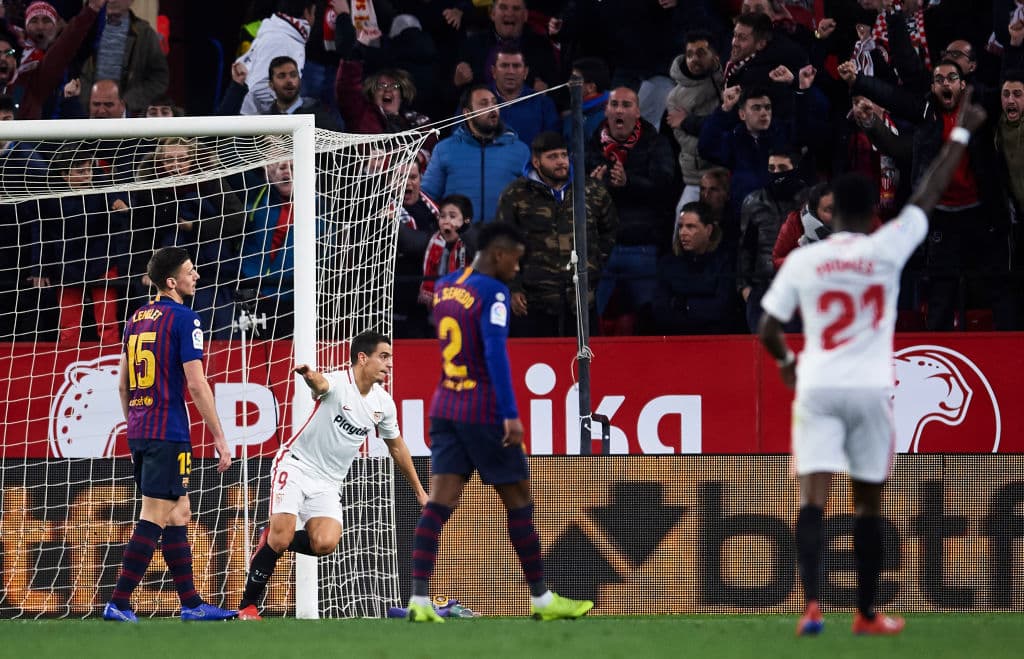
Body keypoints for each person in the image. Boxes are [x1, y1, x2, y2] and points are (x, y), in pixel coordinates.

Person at [757, 90, 987, 637]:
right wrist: (961, 133)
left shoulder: (807, 259)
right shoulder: (886, 246)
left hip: (816, 384)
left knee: (812, 497)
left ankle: (811, 606)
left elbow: (766, 326)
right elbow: (929, 192)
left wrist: (789, 363)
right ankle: (865, 613)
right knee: (867, 504)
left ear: (833, 211)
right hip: (868, 389)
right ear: (872, 212)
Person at [406, 222, 593, 623]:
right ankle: (542, 598)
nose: (517, 268)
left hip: (444, 405)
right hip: (482, 409)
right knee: (520, 500)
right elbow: (494, 354)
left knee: (439, 503)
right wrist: (510, 414)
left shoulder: (446, 286)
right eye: (516, 260)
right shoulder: (493, 292)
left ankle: (419, 599)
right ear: (498, 254)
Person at [237, 330, 428, 620]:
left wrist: (419, 490)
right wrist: (309, 376)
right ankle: (248, 605)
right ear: (362, 358)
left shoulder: (383, 403)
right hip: (296, 465)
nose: (389, 364)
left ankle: (275, 537)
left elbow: (397, 447)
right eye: (384, 357)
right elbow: (321, 384)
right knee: (281, 537)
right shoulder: (339, 382)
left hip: (328, 482)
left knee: (325, 543)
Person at [104, 246, 236, 622]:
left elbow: (122, 385)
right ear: (172, 282)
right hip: (168, 431)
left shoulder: (135, 318)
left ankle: (192, 604)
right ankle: (119, 601)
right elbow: (197, 385)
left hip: (142, 428)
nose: (197, 277)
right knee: (155, 515)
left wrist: (134, 427)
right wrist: (219, 438)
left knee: (179, 512)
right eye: (190, 272)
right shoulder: (185, 318)